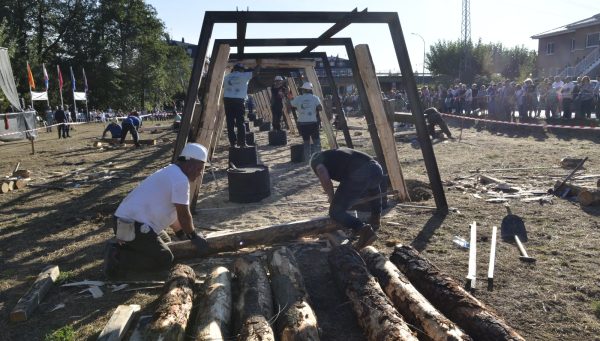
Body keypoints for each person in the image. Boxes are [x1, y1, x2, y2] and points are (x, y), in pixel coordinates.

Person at [104, 143, 210, 278]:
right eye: (200, 169)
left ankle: (127, 246)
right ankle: (119, 258)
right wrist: (194, 237)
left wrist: (181, 234)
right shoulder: (180, 180)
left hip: (126, 222)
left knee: (166, 242)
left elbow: (173, 213)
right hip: (130, 225)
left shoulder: (171, 171)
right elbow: (184, 214)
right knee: (165, 258)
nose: (200, 173)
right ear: (190, 165)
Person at [310, 148, 382, 249]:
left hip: (359, 173)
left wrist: (331, 197)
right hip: (377, 169)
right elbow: (374, 191)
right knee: (372, 187)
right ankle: (375, 219)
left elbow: (322, 173)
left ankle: (363, 230)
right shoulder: (335, 154)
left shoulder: (316, 160)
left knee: (335, 212)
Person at [222, 61, 261, 147]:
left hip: (227, 100)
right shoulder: (244, 75)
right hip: (238, 100)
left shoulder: (227, 77)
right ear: (241, 70)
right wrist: (259, 63)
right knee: (240, 122)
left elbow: (223, 86)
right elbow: (255, 72)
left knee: (230, 122)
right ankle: (242, 143)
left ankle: (233, 143)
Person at [290, 82, 322, 160]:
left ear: (303, 90)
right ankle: (318, 159)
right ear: (310, 90)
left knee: (306, 142)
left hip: (302, 124)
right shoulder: (315, 98)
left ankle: (308, 160)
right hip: (313, 123)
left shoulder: (298, 98)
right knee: (316, 142)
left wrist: (290, 98)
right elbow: (320, 108)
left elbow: (291, 104)